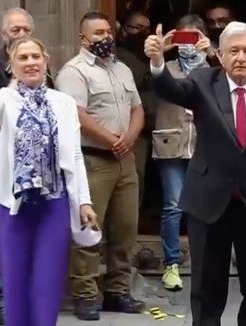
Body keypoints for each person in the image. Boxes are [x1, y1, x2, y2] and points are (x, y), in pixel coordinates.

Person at [144, 21, 246, 326]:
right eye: (233, 51)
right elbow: (173, 90)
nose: (241, 58)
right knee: (206, 290)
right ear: (220, 54)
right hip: (208, 203)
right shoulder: (203, 81)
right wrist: (157, 62)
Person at [0, 36, 99, 326]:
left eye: (35, 56)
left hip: (54, 203)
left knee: (47, 280)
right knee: (14, 281)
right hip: (15, 204)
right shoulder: (5, 98)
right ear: (12, 66)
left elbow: (75, 155)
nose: (30, 62)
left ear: (46, 60)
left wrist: (84, 202)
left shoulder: (63, 103)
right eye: (22, 58)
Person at [55, 11, 145, 321]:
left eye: (107, 31)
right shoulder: (74, 72)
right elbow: (77, 115)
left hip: (125, 161)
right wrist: (110, 139)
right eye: (97, 33)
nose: (105, 37)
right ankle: (86, 295)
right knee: (89, 232)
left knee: (125, 230)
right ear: (83, 38)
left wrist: (129, 138)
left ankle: (118, 291)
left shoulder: (121, 69)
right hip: (94, 161)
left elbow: (137, 109)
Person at [0, 8, 48, 325]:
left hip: (41, 169)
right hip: (6, 168)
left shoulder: (43, 68)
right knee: (3, 233)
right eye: (13, 29)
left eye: (24, 28)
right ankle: (0, 297)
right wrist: (0, 161)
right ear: (4, 35)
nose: (19, 33)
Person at [152, 14, 210, 292]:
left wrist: (211, 54)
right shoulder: (167, 67)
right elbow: (154, 79)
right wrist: (158, 55)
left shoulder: (212, 70)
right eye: (182, 38)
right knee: (173, 205)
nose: (188, 44)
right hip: (171, 145)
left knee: (205, 207)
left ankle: (205, 264)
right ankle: (171, 264)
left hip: (205, 146)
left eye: (193, 38)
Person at [116, 9, 156, 209]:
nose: (142, 33)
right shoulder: (118, 56)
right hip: (133, 129)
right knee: (135, 178)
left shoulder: (150, 54)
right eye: (137, 28)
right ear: (123, 29)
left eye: (146, 28)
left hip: (158, 126)